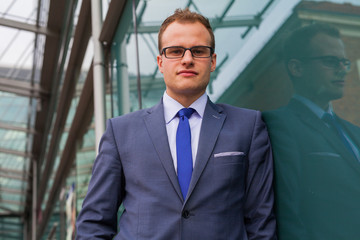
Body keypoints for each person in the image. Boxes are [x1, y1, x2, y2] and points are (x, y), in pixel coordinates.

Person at [76, 8, 276, 240]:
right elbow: (93, 224)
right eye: (176, 51)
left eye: (198, 51)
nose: (188, 59)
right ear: (161, 62)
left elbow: (261, 221)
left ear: (212, 61)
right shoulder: (121, 132)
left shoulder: (248, 126)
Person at [263, 23, 360, 240]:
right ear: (296, 68)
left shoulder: (355, 134)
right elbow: (285, 214)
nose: (341, 69)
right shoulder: (277, 125)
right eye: (330, 61)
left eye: (344, 62)